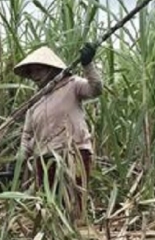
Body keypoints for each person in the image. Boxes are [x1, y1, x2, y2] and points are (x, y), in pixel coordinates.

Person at [14, 43, 102, 222]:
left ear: (52, 69)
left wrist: (88, 64)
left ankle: (76, 236)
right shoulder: (35, 102)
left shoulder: (72, 85)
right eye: (32, 71)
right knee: (49, 204)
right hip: (45, 159)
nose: (35, 75)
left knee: (74, 201)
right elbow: (27, 136)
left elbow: (96, 89)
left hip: (73, 152)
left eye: (40, 69)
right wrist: (20, 159)